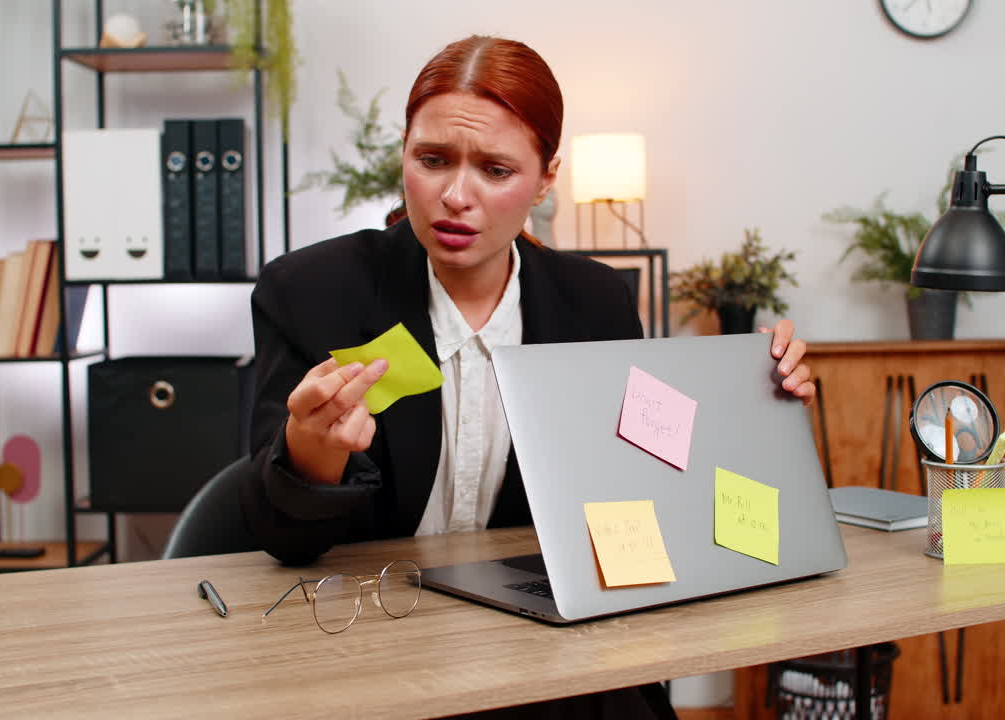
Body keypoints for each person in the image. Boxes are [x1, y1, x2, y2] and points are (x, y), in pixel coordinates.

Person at [241, 35, 813, 719]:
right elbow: (281, 539)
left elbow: (644, 491)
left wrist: (758, 399)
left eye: (495, 169)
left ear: (546, 179)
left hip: (538, 649)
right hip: (364, 644)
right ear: (404, 156)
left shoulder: (593, 301)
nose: (456, 195)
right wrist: (313, 453)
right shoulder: (311, 291)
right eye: (432, 160)